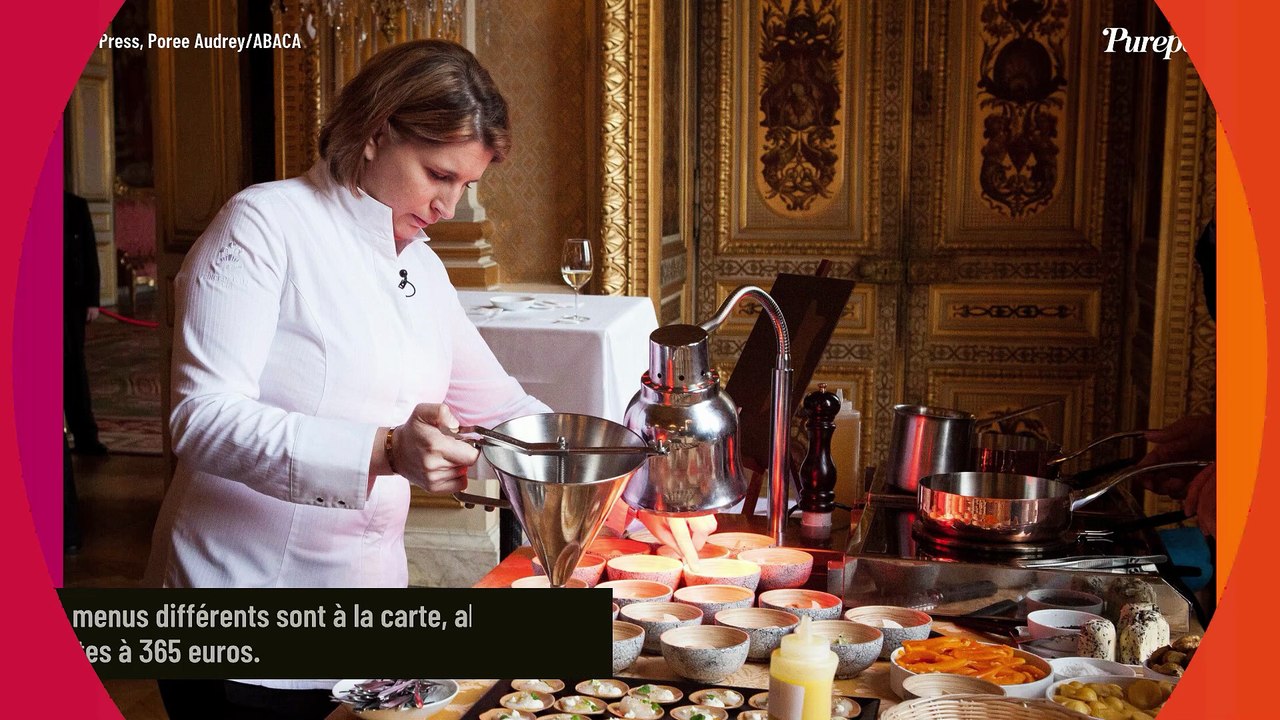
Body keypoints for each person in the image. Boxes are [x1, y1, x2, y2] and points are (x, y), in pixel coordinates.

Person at [146, 40, 550, 719]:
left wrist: (614, 470)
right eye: (436, 173)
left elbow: (503, 406)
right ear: (376, 131)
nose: (448, 205)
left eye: (466, 186)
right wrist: (386, 450)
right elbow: (201, 418)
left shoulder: (421, 265)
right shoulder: (265, 223)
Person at [63, 190, 107, 455]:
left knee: (73, 369)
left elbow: (89, 253)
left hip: (70, 301)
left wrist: (93, 299)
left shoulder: (76, 206)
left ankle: (86, 437)